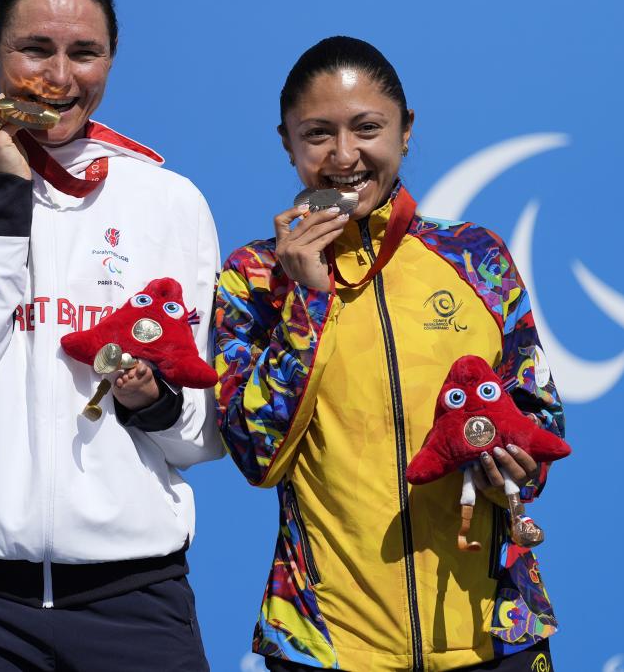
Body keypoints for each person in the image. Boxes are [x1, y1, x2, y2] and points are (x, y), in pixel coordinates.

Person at [0, 0, 221, 669]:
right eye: (35, 48)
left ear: (111, 59)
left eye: (84, 53)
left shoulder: (169, 200)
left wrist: (153, 401)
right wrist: (5, 200)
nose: (59, 77)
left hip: (135, 595)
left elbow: (199, 433)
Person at [214, 36, 564, 671]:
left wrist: (513, 465)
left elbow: (539, 418)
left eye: (367, 128)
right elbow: (256, 453)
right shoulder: (255, 277)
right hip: (329, 646)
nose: (344, 155)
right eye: (317, 133)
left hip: (495, 634)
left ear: (406, 131)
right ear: (287, 142)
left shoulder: (475, 258)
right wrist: (310, 301)